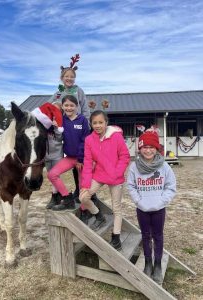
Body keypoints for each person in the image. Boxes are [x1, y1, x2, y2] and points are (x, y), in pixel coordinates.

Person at [127, 129, 176, 284]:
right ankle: (148, 262)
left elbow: (171, 186)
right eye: (144, 147)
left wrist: (161, 201)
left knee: (158, 236)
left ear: (157, 148)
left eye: (151, 147)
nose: (148, 150)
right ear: (140, 148)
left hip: (158, 209)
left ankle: (157, 265)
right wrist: (139, 201)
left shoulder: (164, 167)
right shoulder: (135, 167)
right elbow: (131, 186)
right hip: (142, 208)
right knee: (145, 235)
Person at [79, 110, 130, 250]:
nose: (97, 125)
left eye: (100, 122)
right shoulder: (89, 140)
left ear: (106, 123)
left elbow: (125, 156)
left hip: (116, 177)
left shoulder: (116, 137)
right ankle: (98, 215)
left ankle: (116, 237)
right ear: (91, 124)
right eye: (94, 123)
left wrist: (117, 172)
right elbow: (88, 163)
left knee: (116, 208)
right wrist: (85, 184)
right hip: (100, 174)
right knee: (83, 197)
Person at [48, 95, 90, 210]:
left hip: (82, 159)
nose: (69, 108)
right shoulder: (61, 120)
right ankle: (67, 199)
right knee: (52, 174)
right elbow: (56, 134)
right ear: (63, 106)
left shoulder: (82, 120)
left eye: (72, 105)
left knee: (83, 189)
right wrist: (55, 127)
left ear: (76, 107)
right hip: (70, 158)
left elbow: (85, 141)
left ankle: (84, 211)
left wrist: (81, 160)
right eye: (66, 105)